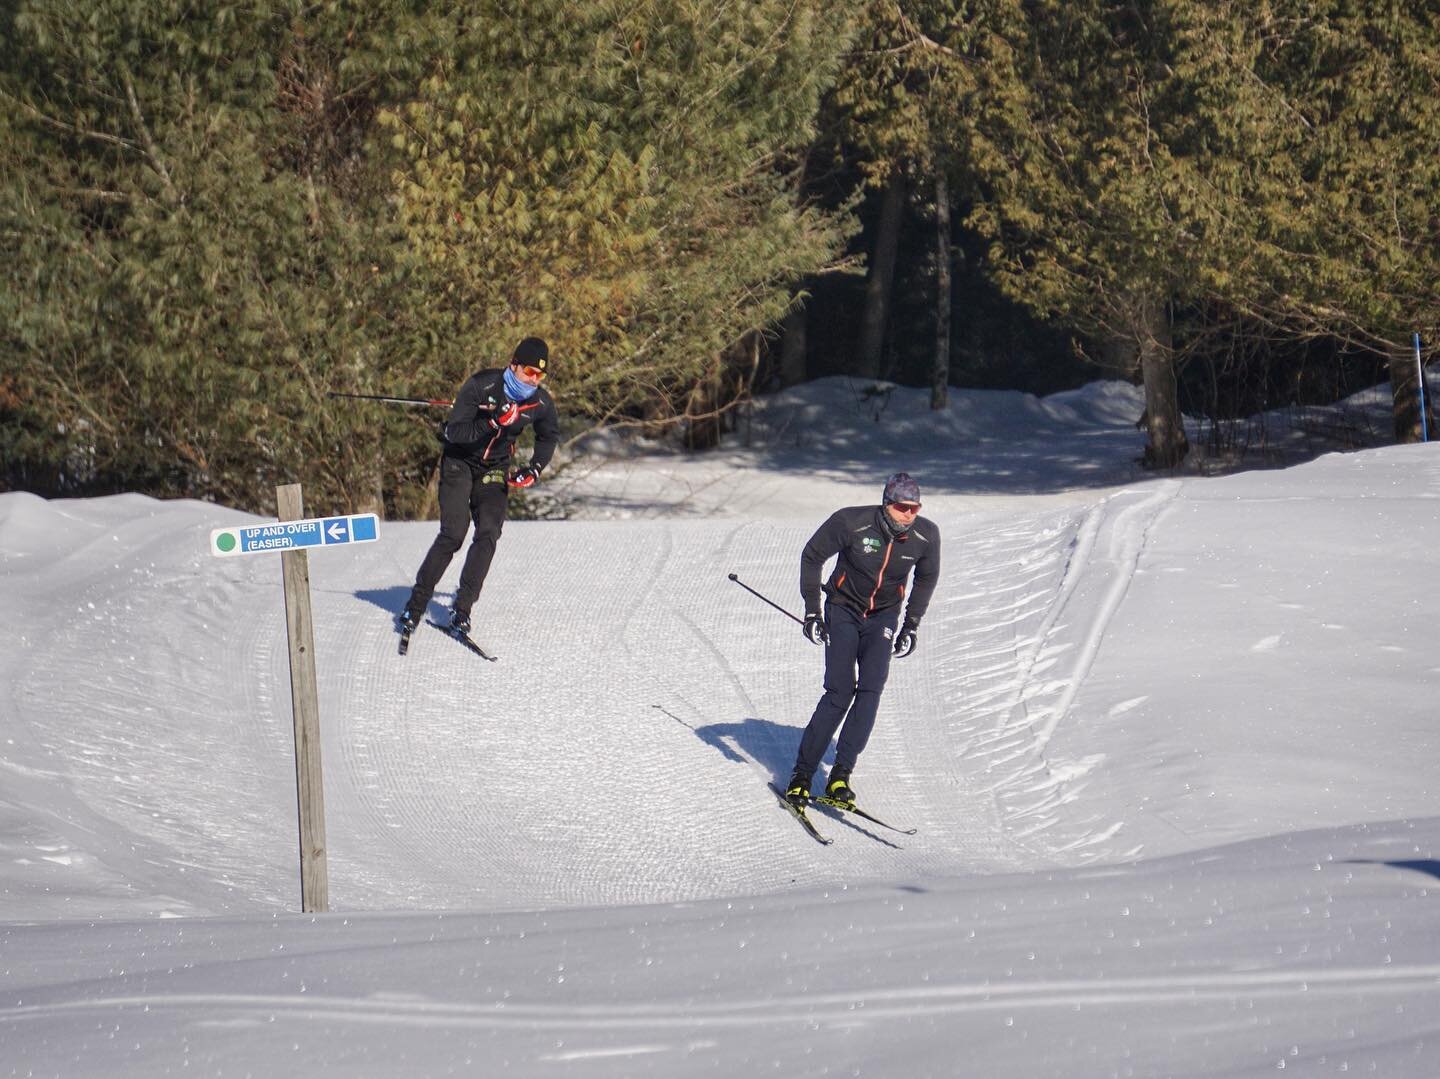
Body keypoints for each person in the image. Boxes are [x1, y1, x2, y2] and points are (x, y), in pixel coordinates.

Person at [785, 472, 941, 806]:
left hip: (883, 616)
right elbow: (812, 556)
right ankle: (802, 774)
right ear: (887, 504)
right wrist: (813, 613)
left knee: (871, 689)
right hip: (843, 608)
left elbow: (926, 579)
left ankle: (841, 774)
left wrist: (911, 624)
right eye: (902, 507)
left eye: (915, 508)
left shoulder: (926, 536)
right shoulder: (850, 522)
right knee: (840, 691)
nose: (909, 515)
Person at [399, 336, 560, 635]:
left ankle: (462, 610)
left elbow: (548, 436)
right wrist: (493, 422)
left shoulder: (539, 402)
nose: (534, 380)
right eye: (529, 372)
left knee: (489, 530)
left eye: (540, 375)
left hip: (494, 467)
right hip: (459, 462)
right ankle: (415, 605)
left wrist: (535, 469)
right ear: (513, 365)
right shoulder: (481, 385)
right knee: (454, 533)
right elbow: (452, 432)